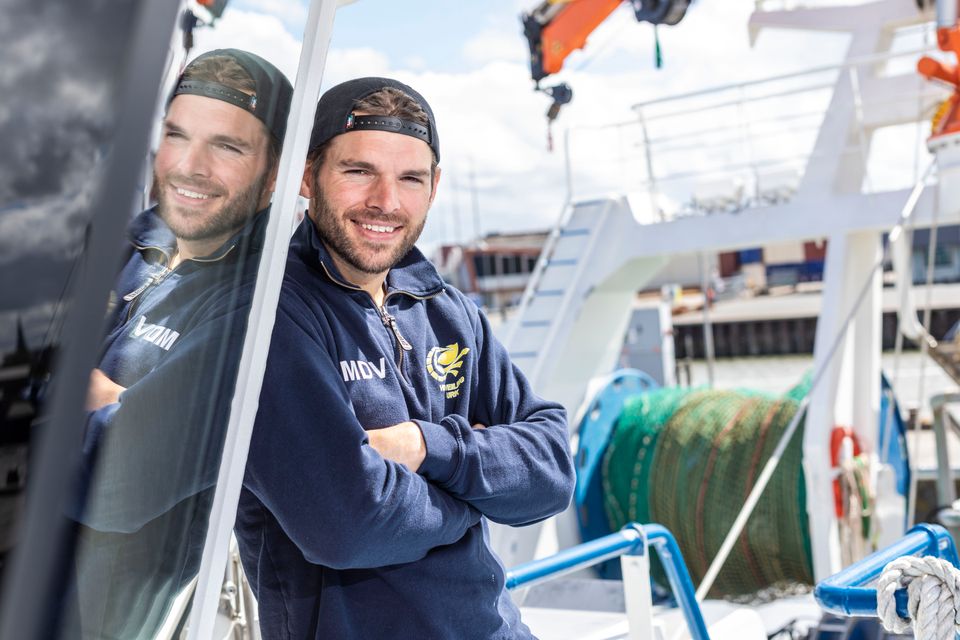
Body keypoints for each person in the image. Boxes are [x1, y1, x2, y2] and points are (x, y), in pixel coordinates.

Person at [236, 77, 576, 639]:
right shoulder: (269, 314)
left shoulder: (448, 310)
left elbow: (552, 469)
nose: (386, 202)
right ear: (306, 174)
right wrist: (479, 495)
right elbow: (347, 524)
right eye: (358, 171)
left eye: (410, 178)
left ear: (435, 186)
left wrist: (424, 446)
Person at [69, 48, 293, 639]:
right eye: (177, 135)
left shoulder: (263, 302)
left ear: (275, 174)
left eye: (228, 146)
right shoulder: (129, 243)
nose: (190, 165)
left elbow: (118, 481)